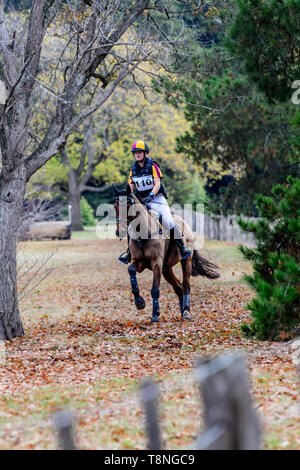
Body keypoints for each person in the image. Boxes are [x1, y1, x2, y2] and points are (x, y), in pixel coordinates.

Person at [118, 140, 192, 264]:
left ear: (145, 153)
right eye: (135, 153)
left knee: (168, 221)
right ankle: (129, 253)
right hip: (142, 201)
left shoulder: (152, 165)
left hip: (157, 199)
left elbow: (157, 183)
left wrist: (152, 194)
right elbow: (130, 186)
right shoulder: (133, 169)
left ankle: (182, 248)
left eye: (140, 152)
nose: (137, 154)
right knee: (132, 226)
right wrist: (128, 196)